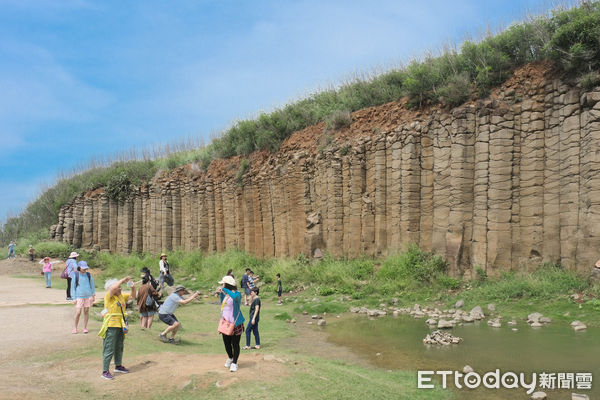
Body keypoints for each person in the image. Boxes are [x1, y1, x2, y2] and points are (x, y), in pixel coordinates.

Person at [98, 276, 136, 380]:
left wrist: (133, 287)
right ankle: (105, 371)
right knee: (109, 347)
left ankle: (118, 366)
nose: (121, 289)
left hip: (120, 324)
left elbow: (133, 296)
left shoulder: (121, 296)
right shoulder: (109, 296)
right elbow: (112, 289)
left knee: (119, 346)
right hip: (111, 325)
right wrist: (123, 280)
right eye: (119, 287)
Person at [217, 275, 245, 372]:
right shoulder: (226, 294)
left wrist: (225, 290)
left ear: (227, 285)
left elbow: (234, 297)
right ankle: (230, 357)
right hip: (226, 323)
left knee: (235, 344)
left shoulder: (237, 294)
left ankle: (234, 363)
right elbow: (222, 303)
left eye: (223, 284)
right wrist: (222, 293)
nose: (222, 285)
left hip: (235, 323)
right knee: (226, 343)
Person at [72, 261, 95, 334]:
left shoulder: (88, 275)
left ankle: (85, 328)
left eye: (85, 268)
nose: (85, 269)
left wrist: (92, 295)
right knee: (78, 312)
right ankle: (75, 328)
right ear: (79, 267)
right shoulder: (75, 275)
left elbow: (92, 285)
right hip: (79, 296)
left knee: (86, 311)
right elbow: (72, 287)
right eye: (83, 268)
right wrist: (74, 298)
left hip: (88, 296)